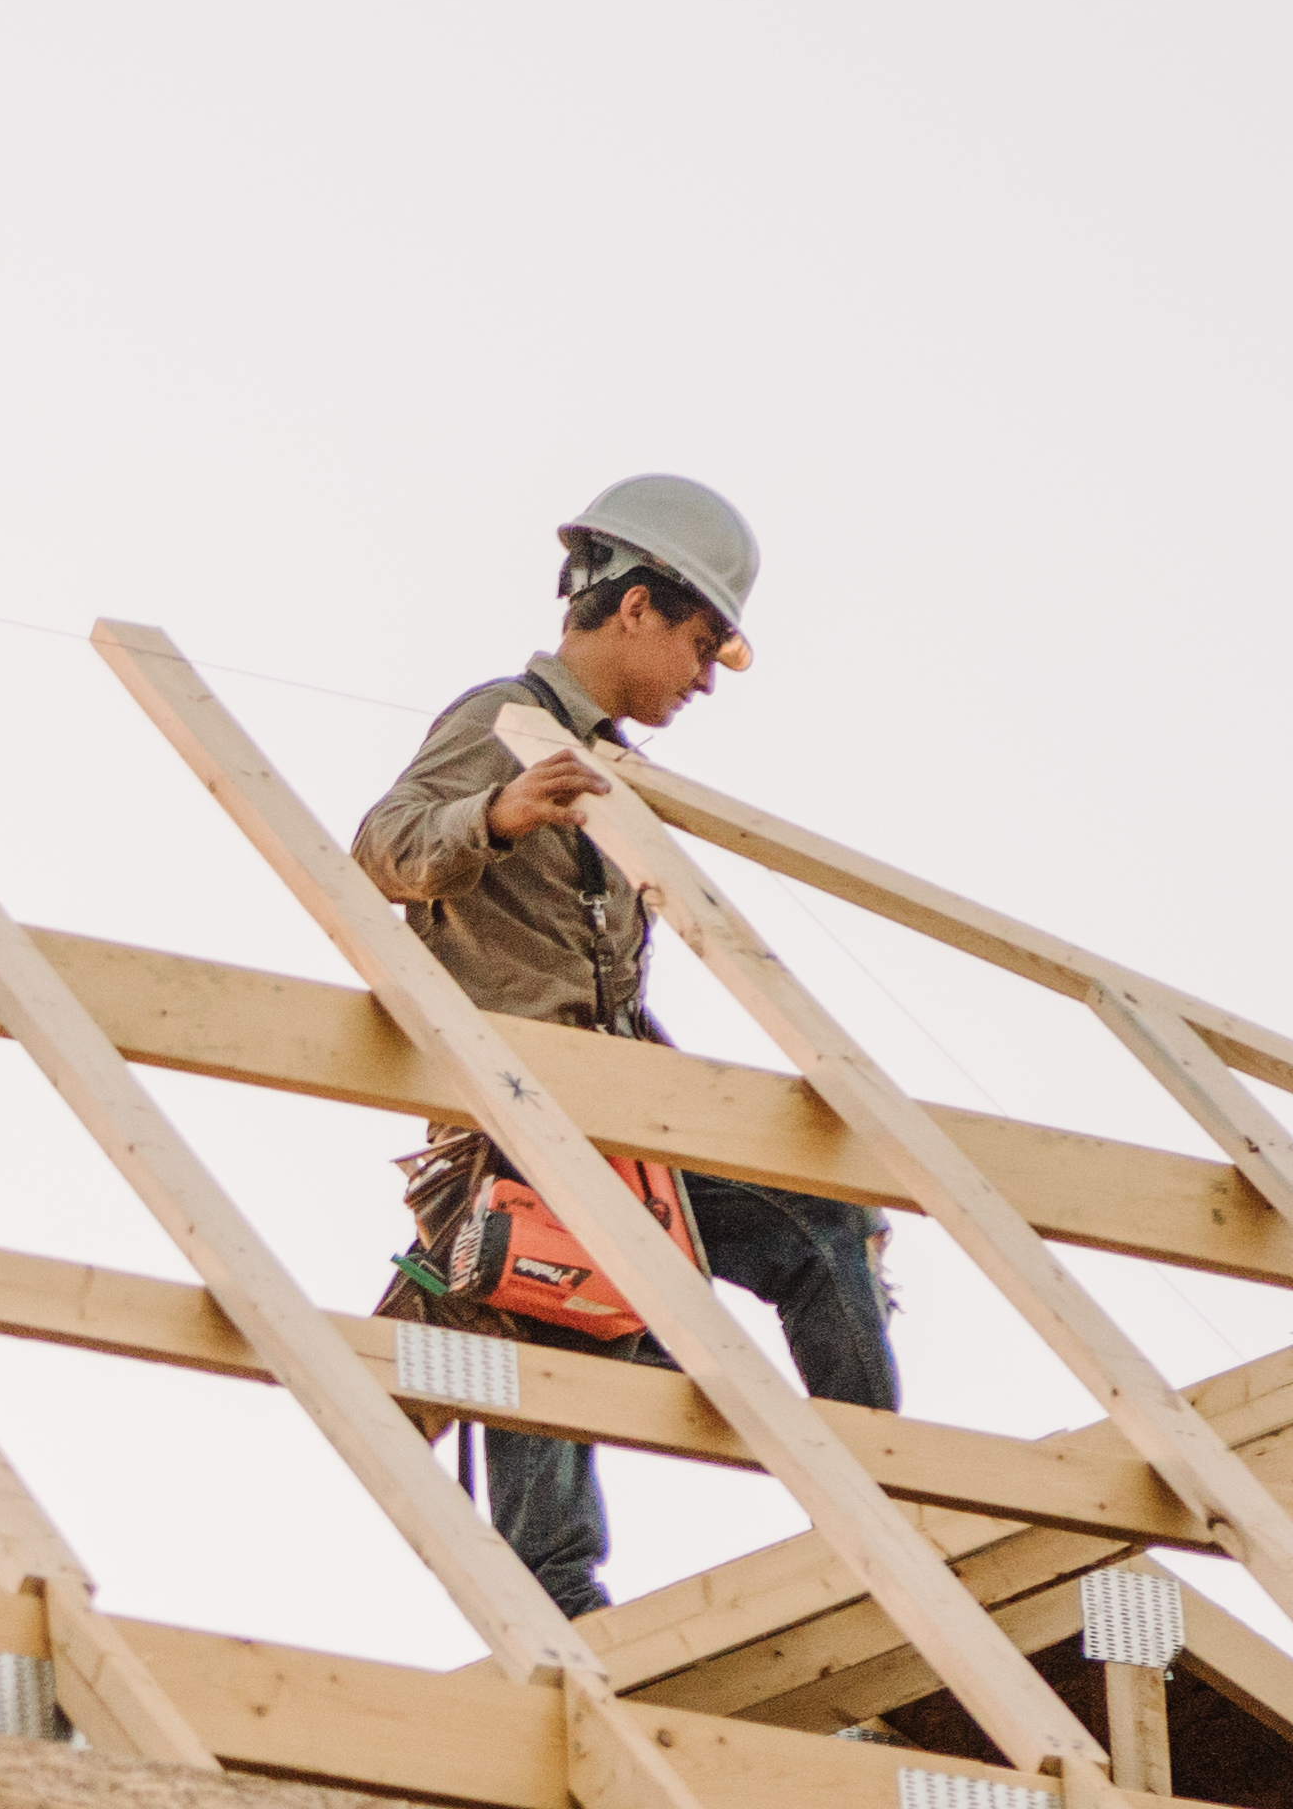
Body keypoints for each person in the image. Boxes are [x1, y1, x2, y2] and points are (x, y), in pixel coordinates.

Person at [352, 472, 895, 1618]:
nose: (706, 675)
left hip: (618, 1113)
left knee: (823, 1226)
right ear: (636, 604)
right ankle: (561, 1626)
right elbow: (386, 848)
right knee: (556, 1322)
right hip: (521, 1126)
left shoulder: (610, 767)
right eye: (701, 641)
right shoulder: (501, 722)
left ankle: (890, 1509)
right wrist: (493, 816)